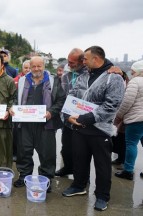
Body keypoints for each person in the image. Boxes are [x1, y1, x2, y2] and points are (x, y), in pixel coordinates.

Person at [62, 46, 125, 211]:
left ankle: (102, 196)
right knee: (79, 160)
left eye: (85, 59)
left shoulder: (114, 78)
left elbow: (111, 106)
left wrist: (86, 118)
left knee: (102, 166)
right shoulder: (84, 75)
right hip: (79, 128)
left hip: (100, 130)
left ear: (96, 59)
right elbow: (72, 95)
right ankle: (79, 185)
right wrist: (67, 114)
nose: (83, 62)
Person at [11, 56, 66, 192]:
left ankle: (46, 179)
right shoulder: (22, 80)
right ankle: (24, 175)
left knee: (47, 154)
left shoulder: (53, 81)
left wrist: (51, 113)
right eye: (33, 66)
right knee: (24, 152)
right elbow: (13, 98)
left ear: (44, 66)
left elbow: (61, 100)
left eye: (39, 66)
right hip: (25, 124)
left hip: (45, 125)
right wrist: (12, 107)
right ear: (30, 66)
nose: (36, 69)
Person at [55, 48, 88, 177]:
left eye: (72, 62)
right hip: (67, 118)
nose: (69, 65)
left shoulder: (89, 74)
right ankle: (68, 167)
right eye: (68, 62)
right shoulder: (66, 74)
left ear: (81, 61)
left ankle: (83, 176)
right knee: (66, 147)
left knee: (82, 150)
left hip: (82, 117)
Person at [114, 60, 143, 180]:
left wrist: (119, 116)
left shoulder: (135, 82)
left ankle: (128, 170)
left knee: (131, 144)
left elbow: (127, 102)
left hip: (135, 119)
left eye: (132, 71)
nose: (131, 73)